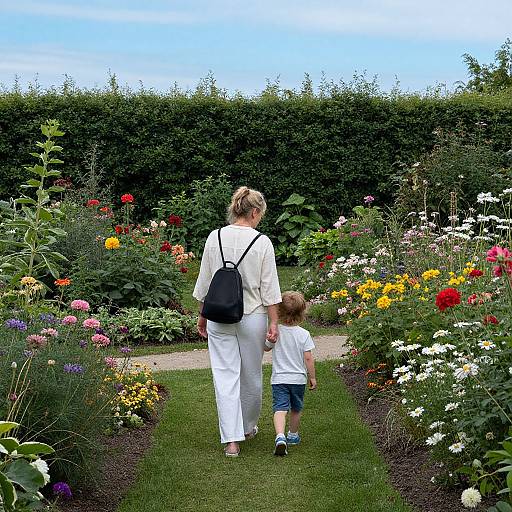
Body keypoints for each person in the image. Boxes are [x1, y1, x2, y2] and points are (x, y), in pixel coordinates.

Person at [193, 186, 282, 457]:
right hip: (252, 316)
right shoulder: (262, 242)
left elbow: (205, 281)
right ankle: (246, 427)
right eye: (260, 216)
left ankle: (231, 441)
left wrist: (202, 315)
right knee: (251, 376)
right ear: (254, 212)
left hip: (219, 315)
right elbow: (270, 288)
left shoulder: (214, 236)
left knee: (224, 376)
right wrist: (274, 322)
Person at [264, 291, 317, 456]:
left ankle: (280, 436)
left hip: (279, 378)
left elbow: (266, 347)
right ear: (302, 313)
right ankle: (293, 435)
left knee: (280, 407)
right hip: (298, 379)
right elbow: (308, 358)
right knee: (296, 407)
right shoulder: (304, 334)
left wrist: (268, 340)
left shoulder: (276, 331)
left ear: (278, 312)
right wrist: (312, 377)